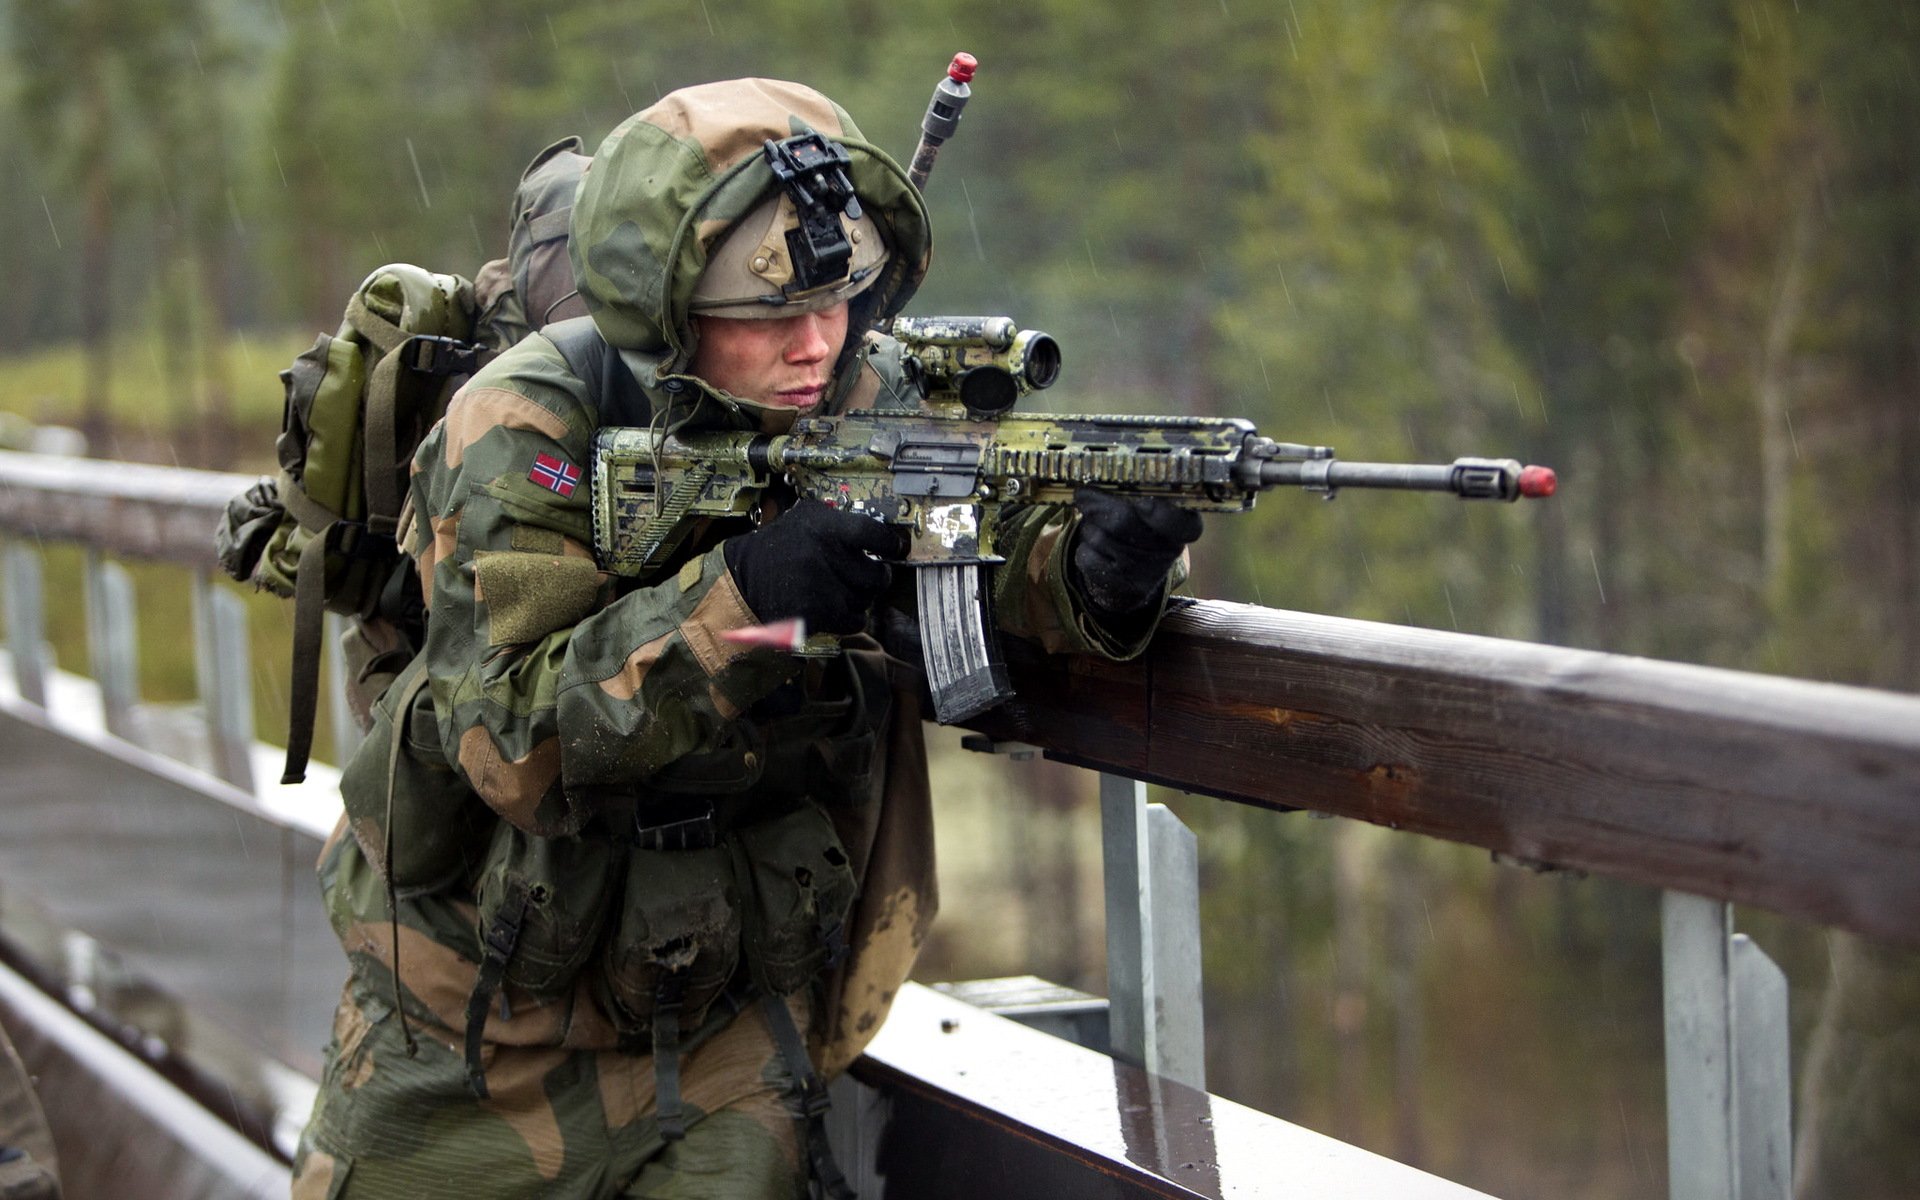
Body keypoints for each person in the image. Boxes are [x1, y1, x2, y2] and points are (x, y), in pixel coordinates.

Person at [291, 77, 1201, 1200]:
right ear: (666, 312)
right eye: (770, 317)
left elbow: (995, 553)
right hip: (475, 1037)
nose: (818, 345)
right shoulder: (527, 424)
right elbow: (512, 744)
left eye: (840, 300)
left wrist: (1097, 573)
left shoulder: (867, 390)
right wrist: (748, 596)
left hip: (732, 1028)